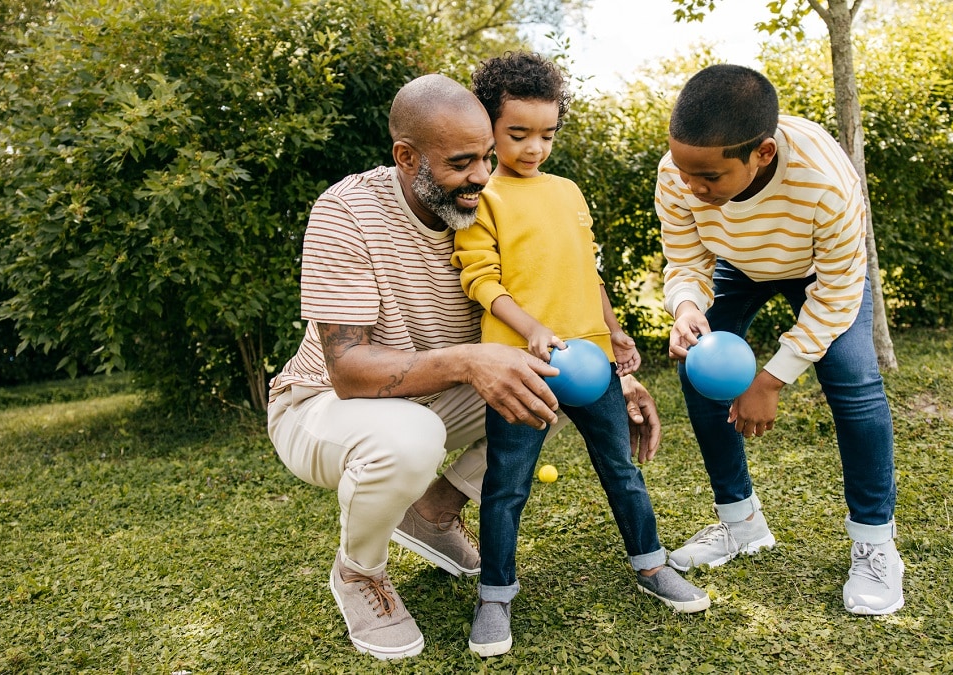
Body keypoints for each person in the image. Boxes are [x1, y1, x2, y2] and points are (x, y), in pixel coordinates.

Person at [265, 73, 664, 661]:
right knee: (412, 438)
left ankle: (433, 512)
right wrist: (471, 360)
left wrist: (616, 374)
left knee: (544, 391)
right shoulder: (347, 211)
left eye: (485, 156)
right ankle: (359, 573)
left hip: (437, 391)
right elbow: (347, 370)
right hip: (323, 405)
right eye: (461, 163)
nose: (483, 176)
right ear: (406, 157)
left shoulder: (486, 205)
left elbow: (563, 299)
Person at [451, 51, 710, 658]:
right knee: (507, 484)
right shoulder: (481, 194)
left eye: (547, 134)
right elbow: (480, 280)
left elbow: (586, 273)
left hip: (591, 359)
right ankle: (495, 595)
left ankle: (650, 564)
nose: (534, 147)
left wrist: (614, 332)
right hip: (523, 363)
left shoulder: (568, 190)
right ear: (487, 126)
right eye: (518, 134)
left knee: (620, 468)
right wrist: (532, 327)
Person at [656, 64, 904, 615]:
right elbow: (685, 256)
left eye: (710, 178)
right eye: (683, 170)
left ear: (762, 153)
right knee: (698, 369)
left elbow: (839, 295)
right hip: (739, 265)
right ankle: (741, 524)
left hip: (819, 270)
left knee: (854, 382)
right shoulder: (681, 170)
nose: (692, 186)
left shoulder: (825, 180)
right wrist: (687, 306)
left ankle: (874, 544)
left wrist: (769, 380)